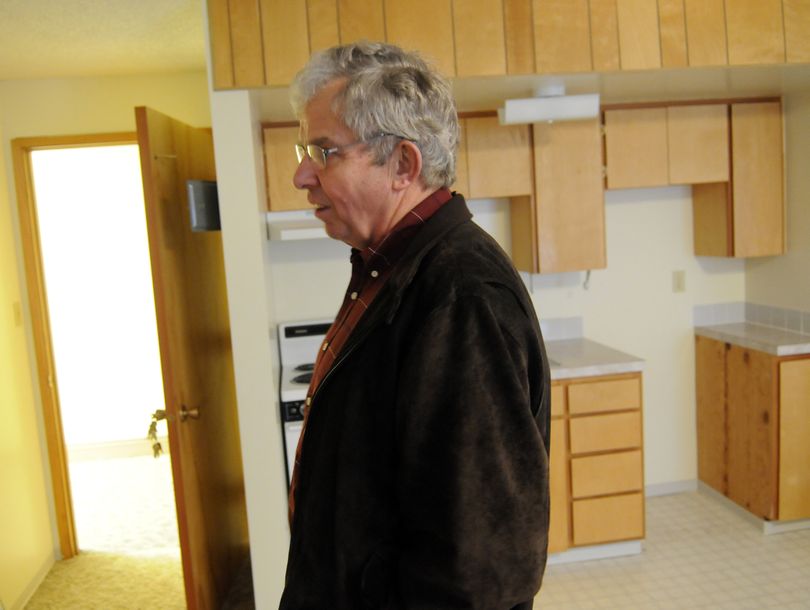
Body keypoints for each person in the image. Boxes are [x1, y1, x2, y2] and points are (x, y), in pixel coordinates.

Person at [281, 41, 551, 610]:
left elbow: (481, 568)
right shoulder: (395, 267)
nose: (302, 175)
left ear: (403, 164)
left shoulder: (462, 295)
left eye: (324, 151)